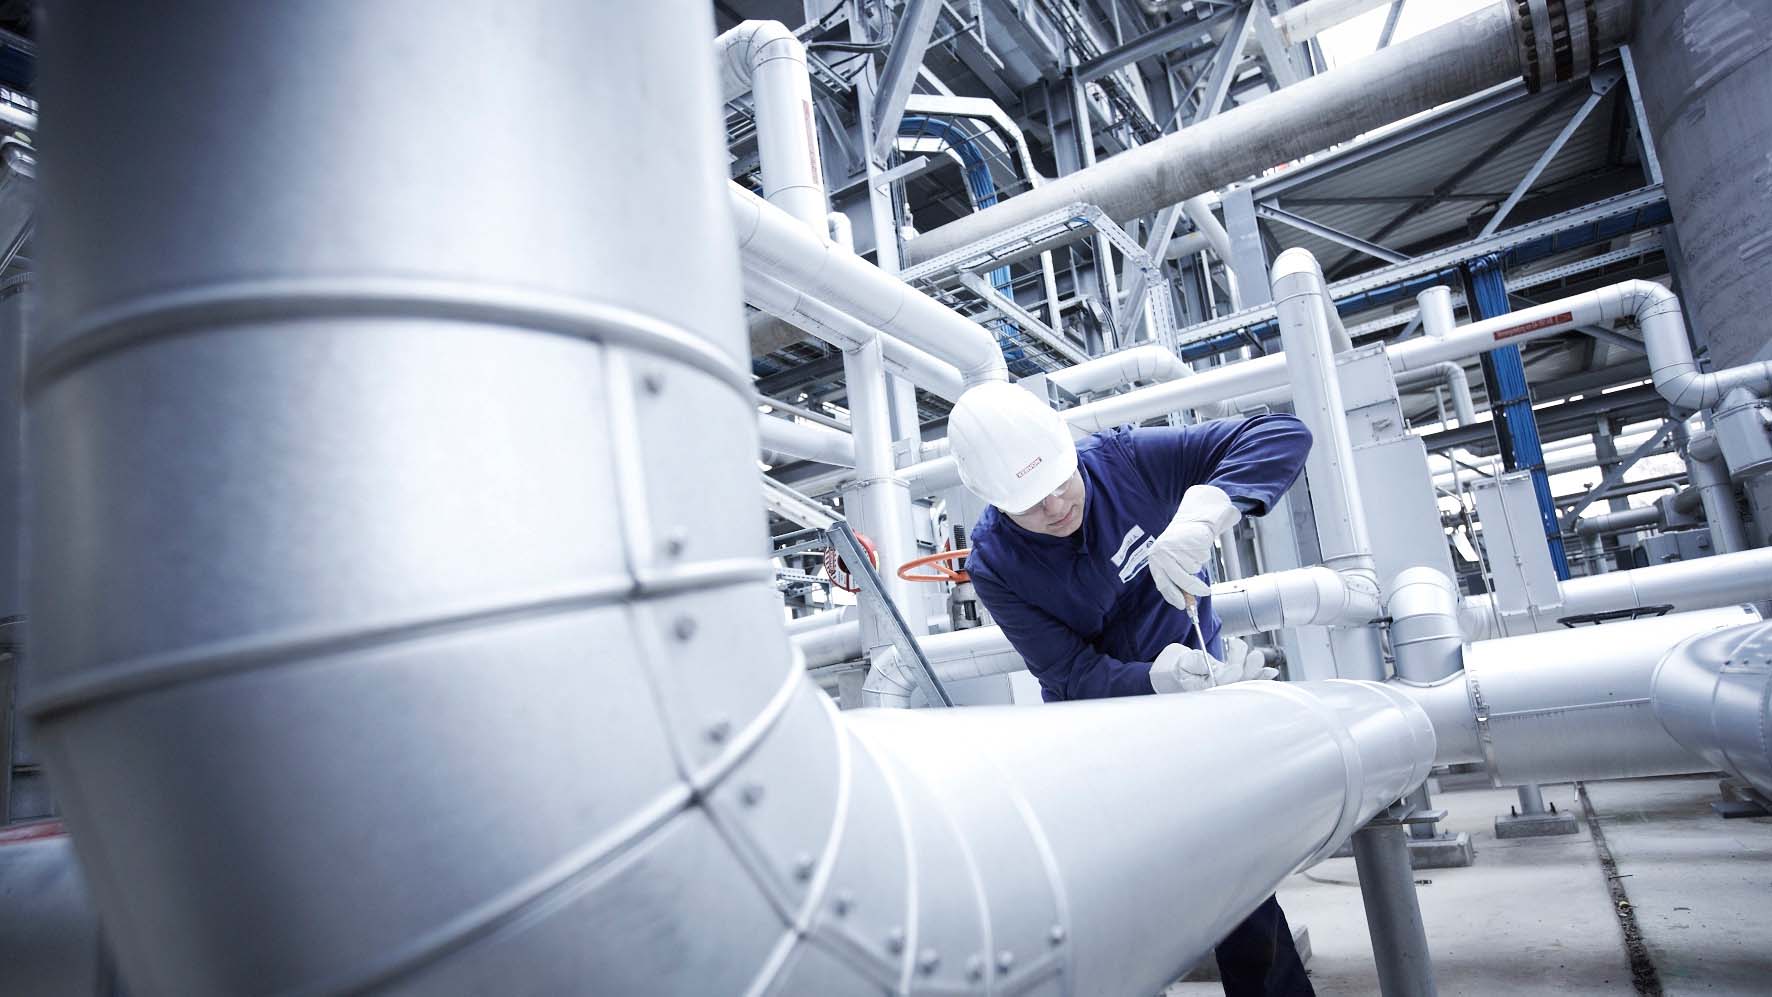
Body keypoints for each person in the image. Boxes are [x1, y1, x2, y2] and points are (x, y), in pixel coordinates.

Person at [947, 380, 1315, 997]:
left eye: (1061, 483)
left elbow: (1280, 434)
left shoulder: (1125, 462)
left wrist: (1208, 510)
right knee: (1120, 898)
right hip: (1100, 730)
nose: (1056, 507)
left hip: (1199, 700)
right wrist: (1151, 680)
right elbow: (1067, 672)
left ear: (1068, 450)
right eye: (1031, 504)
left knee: (1238, 881)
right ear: (994, 502)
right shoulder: (995, 565)